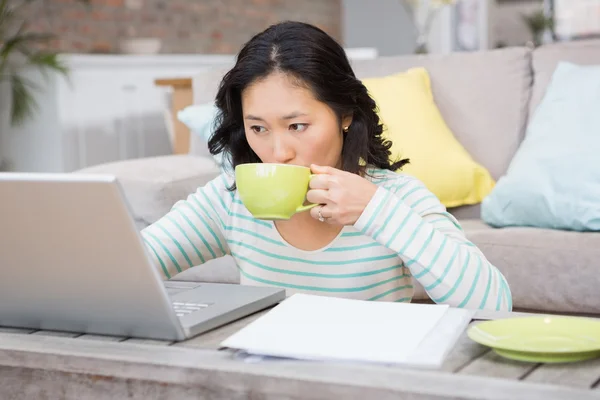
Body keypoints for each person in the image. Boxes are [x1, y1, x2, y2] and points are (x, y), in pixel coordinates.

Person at [141, 21, 512, 311]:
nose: (277, 151)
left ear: (344, 115)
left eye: (297, 125)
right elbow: (127, 270)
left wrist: (378, 213)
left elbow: (493, 306)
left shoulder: (396, 199)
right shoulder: (230, 200)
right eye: (258, 128)